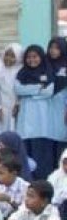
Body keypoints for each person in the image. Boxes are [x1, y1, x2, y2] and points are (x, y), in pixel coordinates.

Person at [14, 44, 56, 177]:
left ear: (41, 57)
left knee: (41, 157)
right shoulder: (22, 73)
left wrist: (28, 92)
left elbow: (49, 92)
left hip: (42, 123)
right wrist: (38, 88)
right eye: (28, 57)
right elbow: (18, 89)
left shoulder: (48, 71)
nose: (32, 60)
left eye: (35, 57)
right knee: (27, 156)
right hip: (25, 122)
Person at [45, 36, 67, 164]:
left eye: (57, 48)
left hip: (61, 107)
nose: (53, 51)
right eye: (51, 47)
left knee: (61, 139)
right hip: (47, 107)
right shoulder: (44, 65)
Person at [0, 153, 28, 219]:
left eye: (1, 173)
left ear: (14, 173)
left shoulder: (25, 188)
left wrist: (10, 201)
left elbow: (26, 214)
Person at [0, 42, 22, 134]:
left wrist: (18, 104)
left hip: (15, 107)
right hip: (2, 107)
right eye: (6, 55)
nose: (8, 58)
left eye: (12, 56)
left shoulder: (21, 71)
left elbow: (21, 91)